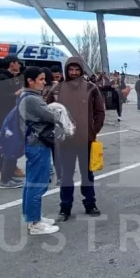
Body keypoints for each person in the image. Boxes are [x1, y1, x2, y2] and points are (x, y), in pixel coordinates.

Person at [46, 55, 105, 221]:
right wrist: (57, 131)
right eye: (70, 69)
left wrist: (93, 130)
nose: (73, 72)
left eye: (76, 69)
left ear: (81, 70)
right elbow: (48, 111)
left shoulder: (91, 88)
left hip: (86, 140)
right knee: (66, 175)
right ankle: (65, 208)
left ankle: (90, 204)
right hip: (65, 141)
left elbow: (100, 112)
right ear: (66, 70)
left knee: (87, 174)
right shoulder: (57, 89)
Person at [17, 67, 59, 235]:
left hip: (32, 143)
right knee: (38, 183)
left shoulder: (26, 96)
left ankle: (32, 217)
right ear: (30, 81)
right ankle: (35, 223)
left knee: (31, 183)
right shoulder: (32, 99)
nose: (44, 83)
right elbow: (52, 116)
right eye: (41, 79)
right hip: (38, 144)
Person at [0, 57, 24, 188]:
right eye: (18, 63)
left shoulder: (13, 77)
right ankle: (5, 176)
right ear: (12, 64)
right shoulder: (1, 77)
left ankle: (9, 174)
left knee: (10, 143)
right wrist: (16, 94)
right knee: (4, 145)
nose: (19, 66)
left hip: (9, 116)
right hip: (2, 117)